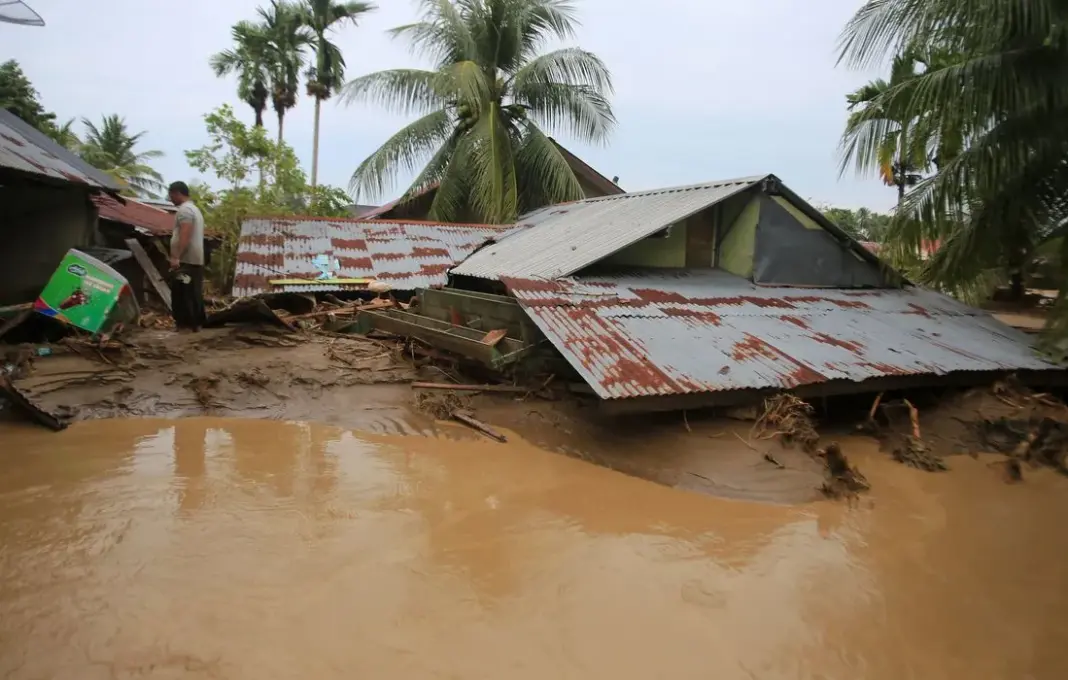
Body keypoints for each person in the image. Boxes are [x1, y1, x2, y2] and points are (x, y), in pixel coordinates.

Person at [167, 181, 206, 331]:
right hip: (194, 259)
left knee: (182, 293)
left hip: (186, 259)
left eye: (171, 196)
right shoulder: (194, 209)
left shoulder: (185, 211)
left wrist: (176, 256)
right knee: (192, 292)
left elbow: (185, 233)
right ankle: (195, 324)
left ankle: (185, 325)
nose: (170, 199)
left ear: (177, 193)